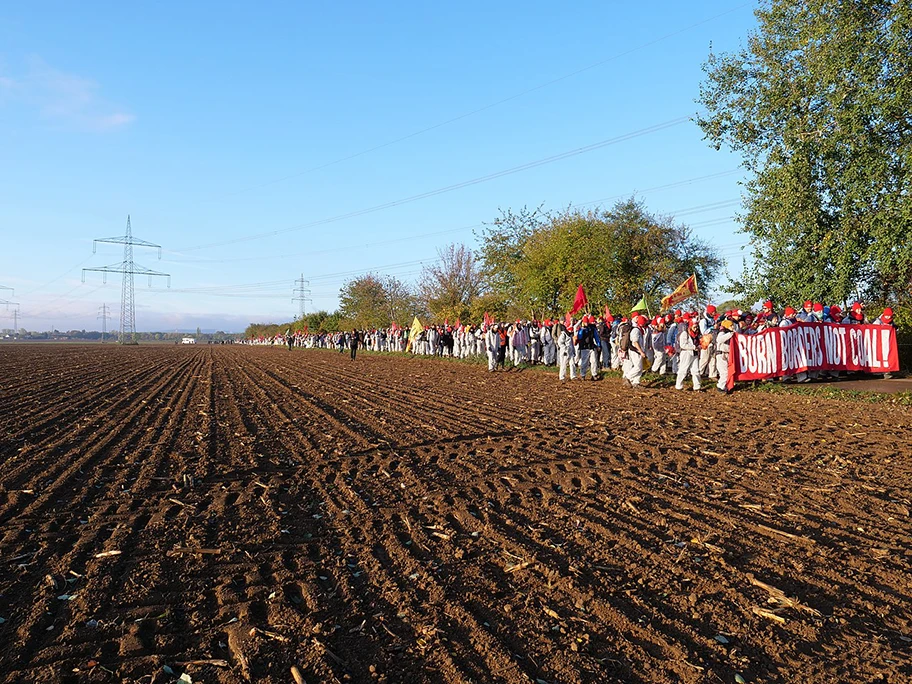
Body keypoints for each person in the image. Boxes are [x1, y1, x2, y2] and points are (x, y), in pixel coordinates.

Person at [675, 316, 702, 391]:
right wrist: (694, 347)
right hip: (686, 353)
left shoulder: (697, 334)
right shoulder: (685, 333)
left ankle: (697, 386)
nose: (696, 328)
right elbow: (682, 345)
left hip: (695, 353)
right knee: (683, 370)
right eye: (694, 327)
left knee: (696, 370)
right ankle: (678, 386)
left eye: (697, 327)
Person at [622, 315, 648, 389]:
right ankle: (627, 377)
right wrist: (640, 351)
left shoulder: (639, 329)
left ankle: (636, 382)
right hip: (635, 350)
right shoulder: (636, 330)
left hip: (638, 350)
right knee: (638, 367)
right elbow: (635, 342)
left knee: (640, 367)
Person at [576, 314, 601, 380]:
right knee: (584, 362)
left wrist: (598, 345)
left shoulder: (592, 328)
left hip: (591, 346)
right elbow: (580, 337)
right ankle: (583, 374)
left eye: (587, 322)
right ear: (583, 322)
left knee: (594, 361)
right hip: (584, 347)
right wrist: (582, 329)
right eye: (585, 322)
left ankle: (594, 374)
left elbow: (596, 337)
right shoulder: (581, 329)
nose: (586, 323)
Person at [715, 319, 735, 393]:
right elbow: (719, 339)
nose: (732, 327)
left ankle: (726, 386)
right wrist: (730, 334)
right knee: (724, 372)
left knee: (728, 372)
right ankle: (720, 386)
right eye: (731, 325)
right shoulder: (722, 333)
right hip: (721, 354)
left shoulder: (730, 333)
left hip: (727, 354)